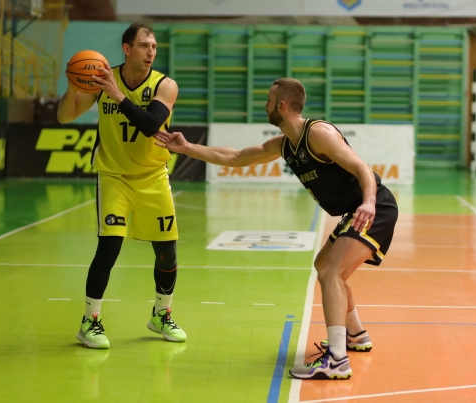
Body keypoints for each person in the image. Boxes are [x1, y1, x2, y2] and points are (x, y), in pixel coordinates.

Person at [154, 78, 398, 379]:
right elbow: (236, 157)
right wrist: (187, 147)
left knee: (330, 274)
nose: (265, 105)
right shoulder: (285, 145)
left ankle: (337, 359)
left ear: (281, 106)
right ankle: (355, 335)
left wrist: (369, 203)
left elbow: (362, 168)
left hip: (375, 207)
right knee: (324, 265)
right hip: (355, 210)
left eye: (269, 100)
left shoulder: (318, 133)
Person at [57, 22, 186, 349]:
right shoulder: (103, 79)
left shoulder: (165, 85)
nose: (151, 52)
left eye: (153, 46)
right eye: (144, 45)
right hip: (113, 176)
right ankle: (89, 322)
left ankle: (161, 314)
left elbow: (150, 125)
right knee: (109, 247)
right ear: (127, 49)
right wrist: (72, 87)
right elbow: (65, 116)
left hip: (153, 176)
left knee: (167, 253)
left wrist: (117, 95)